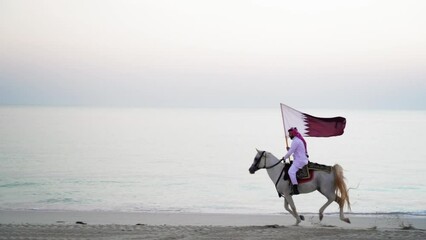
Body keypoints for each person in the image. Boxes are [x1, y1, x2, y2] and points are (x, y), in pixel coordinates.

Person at [281, 127, 309, 195]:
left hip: (299, 160)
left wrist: (284, 158)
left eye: (290, 134)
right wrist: (290, 149)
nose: (289, 135)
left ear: (293, 134)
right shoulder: (298, 140)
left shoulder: (295, 141)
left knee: (290, 172)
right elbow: (294, 150)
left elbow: (290, 152)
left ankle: (295, 188)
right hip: (301, 159)